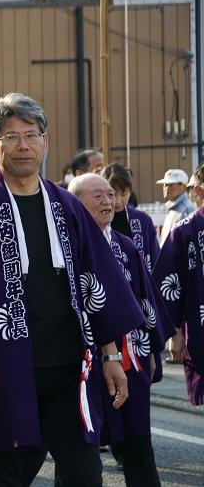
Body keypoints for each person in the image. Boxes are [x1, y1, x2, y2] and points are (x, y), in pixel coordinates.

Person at [0, 93, 144, 486]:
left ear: (45, 141)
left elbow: (97, 282)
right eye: (11, 136)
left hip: (69, 368)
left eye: (31, 134)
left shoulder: (67, 206)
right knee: (7, 476)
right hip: (3, 368)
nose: (22, 145)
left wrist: (111, 357)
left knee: (84, 474)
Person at [69, 173, 173, 487]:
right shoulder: (67, 246)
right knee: (79, 452)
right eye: (97, 195)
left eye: (110, 195)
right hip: (83, 362)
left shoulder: (125, 246)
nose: (108, 201)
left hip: (130, 356)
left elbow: (146, 301)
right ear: (75, 203)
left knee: (138, 443)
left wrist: (151, 351)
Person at [153, 161, 204, 407]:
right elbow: (167, 284)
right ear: (199, 191)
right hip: (199, 329)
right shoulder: (186, 230)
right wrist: (174, 333)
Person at [101, 164, 161, 273]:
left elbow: (155, 258)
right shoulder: (98, 219)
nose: (118, 201)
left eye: (124, 194)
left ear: (130, 191)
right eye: (113, 195)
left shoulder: (143, 220)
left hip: (140, 284)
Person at [156, 168, 196, 246]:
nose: (166, 188)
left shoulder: (187, 209)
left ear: (183, 186)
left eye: (171, 185)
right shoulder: (172, 208)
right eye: (165, 184)